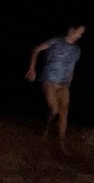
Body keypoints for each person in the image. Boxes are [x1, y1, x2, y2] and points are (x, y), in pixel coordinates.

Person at [25, 24, 86, 154]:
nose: (80, 36)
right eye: (79, 32)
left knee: (64, 113)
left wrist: (69, 82)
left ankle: (61, 144)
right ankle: (47, 126)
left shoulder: (77, 51)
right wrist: (32, 68)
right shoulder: (56, 41)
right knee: (54, 109)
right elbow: (36, 49)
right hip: (49, 81)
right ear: (71, 30)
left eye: (82, 34)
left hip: (64, 84)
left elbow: (72, 67)